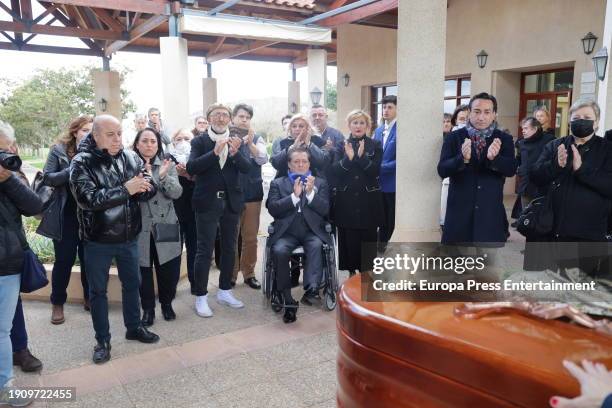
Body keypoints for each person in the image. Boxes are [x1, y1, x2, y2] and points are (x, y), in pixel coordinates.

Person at [70, 115, 160, 364]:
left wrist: (146, 186)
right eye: (111, 135)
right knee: (98, 292)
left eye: (120, 133)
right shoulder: (81, 163)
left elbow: (146, 185)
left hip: (129, 237)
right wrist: (126, 189)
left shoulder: (130, 156)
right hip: (97, 239)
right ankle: (103, 340)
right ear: (95, 136)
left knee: (133, 284)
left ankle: (134, 328)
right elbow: (88, 200)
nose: (118, 139)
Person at [531, 99, 612, 276]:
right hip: (549, 231)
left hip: (587, 236)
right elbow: (535, 177)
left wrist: (582, 171)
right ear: (569, 121)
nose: (581, 121)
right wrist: (555, 166)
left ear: (596, 122)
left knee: (579, 294)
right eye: (576, 117)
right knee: (542, 291)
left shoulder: (607, 149)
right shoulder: (555, 145)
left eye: (587, 117)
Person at [186, 103, 251, 318]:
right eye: (217, 115)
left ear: (230, 119)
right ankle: (201, 296)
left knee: (230, 247)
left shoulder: (236, 141)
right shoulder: (199, 141)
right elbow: (192, 168)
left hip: (231, 202)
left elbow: (247, 168)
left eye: (225, 115)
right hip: (207, 202)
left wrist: (234, 153)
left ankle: (224, 291)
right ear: (209, 118)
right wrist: (214, 153)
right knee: (204, 250)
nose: (221, 118)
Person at [0, 120, 43, 407]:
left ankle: (5, 386)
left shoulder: (10, 176)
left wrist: (8, 179)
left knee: (2, 330)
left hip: (6, 263)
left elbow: (35, 206)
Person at [437, 92, 516, 245]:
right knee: (457, 266)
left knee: (488, 266)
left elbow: (511, 169)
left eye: (487, 112)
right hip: (460, 214)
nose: (481, 117)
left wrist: (495, 159)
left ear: (494, 114)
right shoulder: (455, 137)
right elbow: (442, 169)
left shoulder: (504, 138)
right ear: (469, 113)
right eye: (477, 111)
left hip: (490, 214)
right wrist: (462, 159)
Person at [38, 115, 92, 325]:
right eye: (85, 130)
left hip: (90, 215)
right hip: (65, 214)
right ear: (75, 132)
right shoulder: (59, 151)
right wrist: (73, 169)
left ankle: (90, 297)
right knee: (64, 261)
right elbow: (48, 177)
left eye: (91, 130)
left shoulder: (96, 150)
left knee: (90, 260)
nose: (88, 134)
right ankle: (58, 302)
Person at [267, 146, 331, 322]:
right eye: (296, 161)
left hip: (312, 231)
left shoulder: (320, 183)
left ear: (309, 163)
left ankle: (311, 289)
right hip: (287, 232)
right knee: (279, 251)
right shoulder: (278, 183)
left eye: (304, 161)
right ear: (289, 165)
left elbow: (325, 210)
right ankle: (287, 299)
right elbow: (273, 209)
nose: (301, 165)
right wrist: (293, 197)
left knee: (317, 245)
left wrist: (310, 194)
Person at [133, 128, 183, 326]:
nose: (149, 145)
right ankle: (148, 310)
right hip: (140, 227)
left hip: (166, 223)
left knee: (169, 269)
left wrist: (163, 176)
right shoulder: (129, 165)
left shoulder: (166, 164)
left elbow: (177, 192)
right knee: (143, 271)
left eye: (153, 141)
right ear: (137, 144)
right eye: (144, 141)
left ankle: (167, 304)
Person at [332, 110, 383, 276]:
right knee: (349, 239)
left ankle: (367, 274)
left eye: (362, 122)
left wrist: (361, 158)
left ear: (367, 126)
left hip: (368, 200)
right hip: (346, 200)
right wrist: (349, 158)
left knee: (368, 238)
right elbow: (335, 171)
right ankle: (351, 274)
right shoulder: (341, 144)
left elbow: (375, 171)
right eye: (355, 122)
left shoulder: (375, 145)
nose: (358, 126)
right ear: (349, 125)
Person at [231, 103, 267, 289]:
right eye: (241, 116)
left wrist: (250, 143)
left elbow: (262, 158)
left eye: (247, 117)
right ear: (233, 118)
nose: (244, 120)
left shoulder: (257, 137)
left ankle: (249, 273)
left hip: (252, 194)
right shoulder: (226, 137)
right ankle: (230, 274)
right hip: (231, 195)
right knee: (231, 237)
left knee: (250, 237)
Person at [169, 129, 197, 295]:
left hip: (195, 212)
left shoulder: (197, 159)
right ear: (173, 142)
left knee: (194, 249)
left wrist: (188, 175)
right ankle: (171, 288)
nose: (183, 142)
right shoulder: (168, 159)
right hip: (173, 214)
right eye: (179, 139)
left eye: (187, 138)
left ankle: (195, 284)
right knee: (173, 252)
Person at [271, 114, 329, 179]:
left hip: (313, 180)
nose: (297, 129)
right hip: (287, 181)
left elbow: (323, 162)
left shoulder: (317, 140)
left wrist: (309, 144)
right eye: (294, 126)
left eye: (301, 126)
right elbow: (275, 163)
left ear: (308, 128)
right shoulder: (283, 142)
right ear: (290, 129)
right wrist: (292, 148)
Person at [373, 95, 397, 250]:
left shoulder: (402, 130)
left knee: (391, 219)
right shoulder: (379, 130)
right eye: (384, 107)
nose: (386, 110)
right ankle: (380, 250)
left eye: (390, 107)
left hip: (392, 183)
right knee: (380, 218)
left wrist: (380, 167)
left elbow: (402, 160)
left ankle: (389, 250)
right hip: (377, 184)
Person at [516, 117, 556, 208]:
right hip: (526, 187)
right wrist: (520, 171)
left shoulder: (549, 140)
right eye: (522, 128)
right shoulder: (521, 143)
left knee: (543, 218)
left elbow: (554, 161)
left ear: (535, 129)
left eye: (526, 128)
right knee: (526, 217)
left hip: (544, 188)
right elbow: (519, 160)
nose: (523, 131)